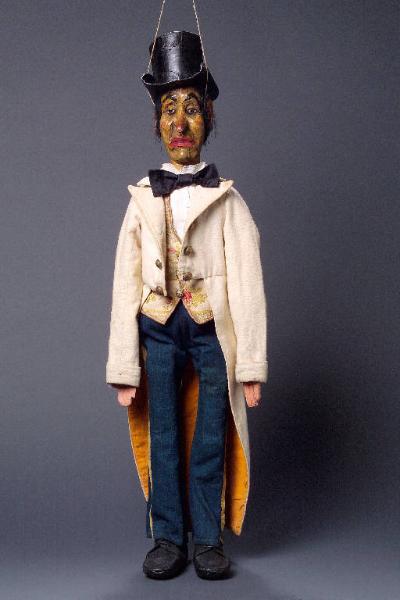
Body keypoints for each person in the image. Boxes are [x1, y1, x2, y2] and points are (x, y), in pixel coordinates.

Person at [106, 30, 268, 580]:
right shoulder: (140, 201)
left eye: (192, 109)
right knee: (164, 436)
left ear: (209, 120)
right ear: (156, 123)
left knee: (210, 436)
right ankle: (168, 537)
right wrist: (123, 368)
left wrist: (251, 367)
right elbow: (124, 285)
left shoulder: (229, 201)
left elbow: (248, 283)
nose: (180, 123)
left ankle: (208, 538)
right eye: (169, 110)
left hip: (209, 329)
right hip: (156, 328)